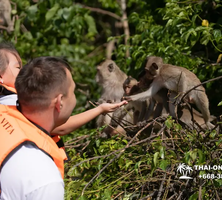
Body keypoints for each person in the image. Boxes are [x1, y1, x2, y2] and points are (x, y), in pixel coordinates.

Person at [0, 56, 127, 199]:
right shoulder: (44, 179)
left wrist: (100, 109)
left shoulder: (4, 108)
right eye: (73, 91)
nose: (75, 97)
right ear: (59, 102)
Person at [0, 42, 122, 153]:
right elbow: (61, 128)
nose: (23, 71)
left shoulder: (7, 101)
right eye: (18, 67)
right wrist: (99, 109)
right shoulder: (11, 103)